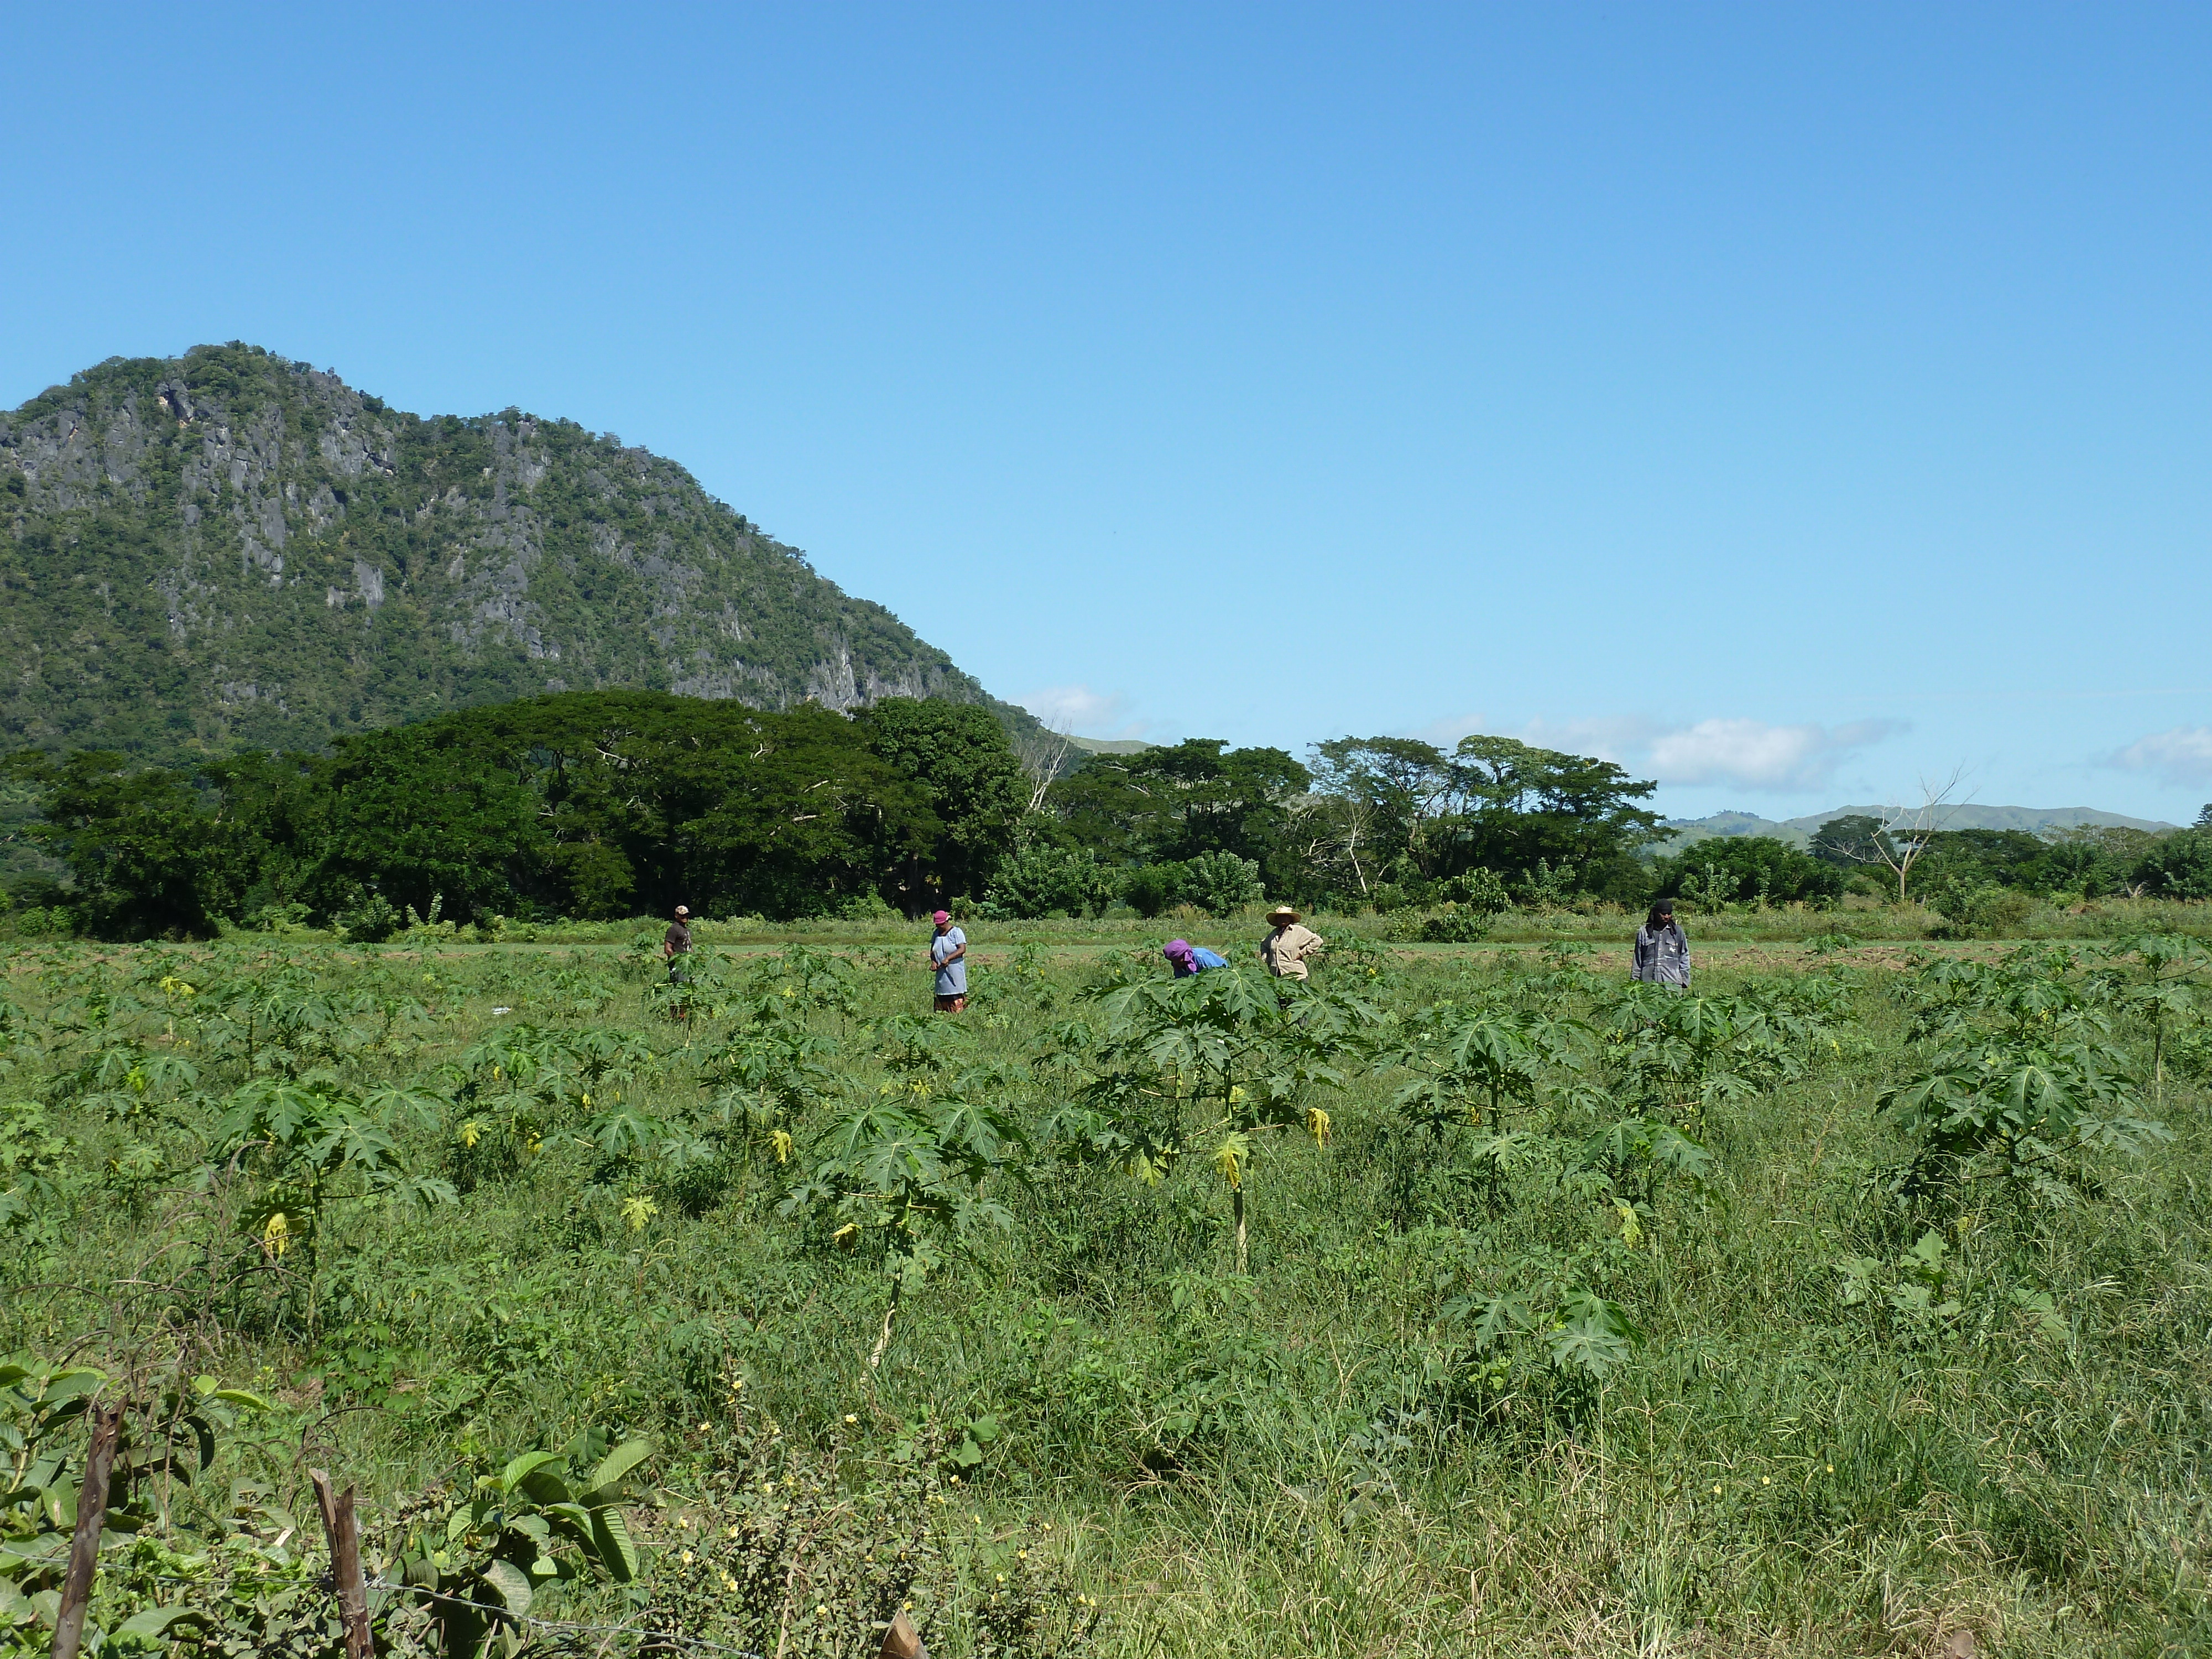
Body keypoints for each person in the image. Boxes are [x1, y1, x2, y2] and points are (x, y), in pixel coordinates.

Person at [1632, 899, 1691, 988]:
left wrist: (1684, 979)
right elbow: (1637, 959)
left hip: (1672, 983)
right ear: (1656, 913)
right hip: (1648, 984)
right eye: (1663, 914)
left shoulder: (1677, 932)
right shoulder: (1644, 932)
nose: (1667, 916)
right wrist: (1634, 981)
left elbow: (1684, 956)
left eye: (1669, 914)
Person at [1258, 905, 1325, 981]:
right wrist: (1267, 959)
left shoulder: (1298, 931)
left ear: (1290, 918)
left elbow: (1318, 941)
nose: (1282, 919)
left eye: (1285, 916)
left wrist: (1302, 953)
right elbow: (1264, 945)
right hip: (1278, 976)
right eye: (1280, 917)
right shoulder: (1274, 934)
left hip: (1296, 976)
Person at [928, 910, 968, 1011]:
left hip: (954, 970)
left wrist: (948, 959)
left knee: (955, 991)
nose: (938, 927)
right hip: (941, 971)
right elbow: (932, 951)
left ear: (946, 922)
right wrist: (934, 962)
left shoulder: (956, 932)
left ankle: (957, 1012)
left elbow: (962, 949)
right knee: (942, 993)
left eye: (940, 924)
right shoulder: (936, 934)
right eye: (937, 924)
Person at [1164, 939, 1228, 977]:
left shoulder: (1201, 957)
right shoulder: (1178, 964)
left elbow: (1217, 974)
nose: (1175, 963)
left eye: (1177, 960)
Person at [663, 904, 693, 983]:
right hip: (678, 966)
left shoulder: (686, 930)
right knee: (680, 989)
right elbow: (668, 949)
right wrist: (678, 962)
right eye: (682, 915)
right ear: (677, 916)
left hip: (687, 965)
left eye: (687, 915)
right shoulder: (673, 929)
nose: (685, 917)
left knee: (688, 988)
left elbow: (688, 946)